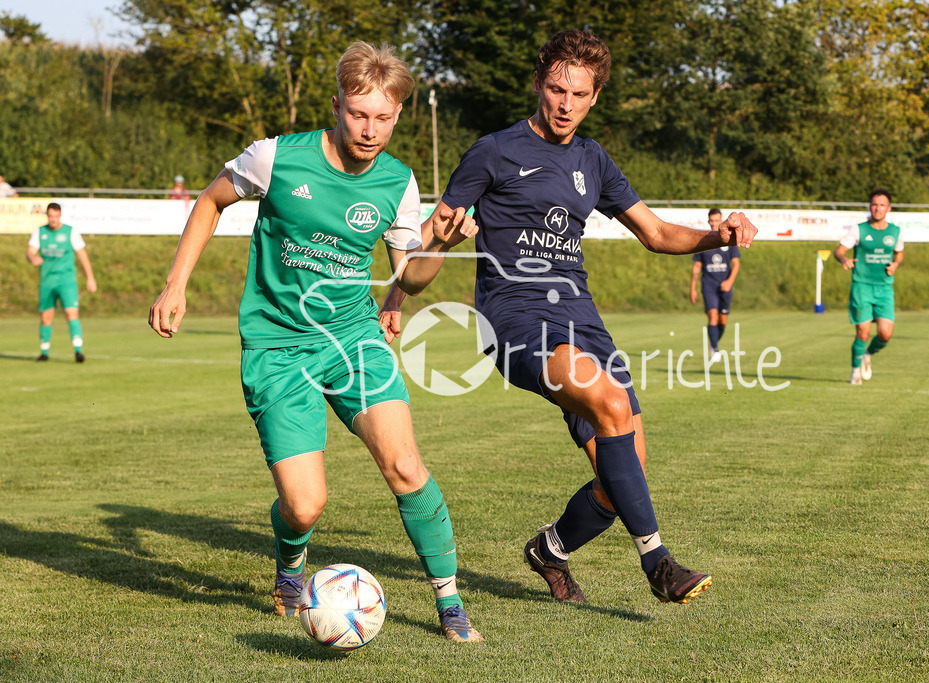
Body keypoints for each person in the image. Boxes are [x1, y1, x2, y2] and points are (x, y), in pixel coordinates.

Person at [383, 30, 757, 606]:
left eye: (578, 94)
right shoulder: (495, 150)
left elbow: (656, 233)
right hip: (513, 318)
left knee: (624, 475)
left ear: (594, 98)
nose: (564, 103)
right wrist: (396, 296)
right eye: (556, 89)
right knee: (609, 405)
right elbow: (439, 226)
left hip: (581, 319)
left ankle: (549, 551)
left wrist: (718, 234)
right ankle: (658, 563)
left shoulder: (593, 159)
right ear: (539, 84)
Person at [148, 42, 483, 642]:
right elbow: (209, 201)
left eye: (383, 117)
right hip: (277, 347)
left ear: (400, 115)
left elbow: (408, 275)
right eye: (359, 114)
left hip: (352, 338)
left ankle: (450, 602)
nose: (370, 129)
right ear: (336, 105)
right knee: (305, 506)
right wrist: (176, 285)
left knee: (405, 466)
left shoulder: (398, 182)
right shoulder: (276, 158)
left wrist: (439, 248)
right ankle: (290, 566)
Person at [833, 189, 904, 385]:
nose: (877, 208)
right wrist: (844, 259)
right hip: (862, 286)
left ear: (888, 208)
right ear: (869, 206)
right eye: (874, 204)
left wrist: (896, 264)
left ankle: (867, 354)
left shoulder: (895, 232)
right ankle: (855, 372)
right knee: (862, 332)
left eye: (881, 205)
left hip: (884, 288)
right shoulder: (858, 229)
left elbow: (899, 253)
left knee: (885, 334)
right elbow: (839, 251)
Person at [26, 202, 97, 362]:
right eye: (50, 216)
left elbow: (82, 255)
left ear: (60, 216)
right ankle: (44, 353)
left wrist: (90, 278)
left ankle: (78, 351)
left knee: (71, 313)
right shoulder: (40, 232)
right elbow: (30, 251)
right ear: (47, 216)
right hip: (47, 281)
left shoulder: (70, 232)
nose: (53, 219)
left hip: (66, 281)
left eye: (56, 216)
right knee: (46, 317)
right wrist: (32, 257)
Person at [690, 208, 741, 362]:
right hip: (709, 285)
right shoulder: (703, 240)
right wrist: (692, 288)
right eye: (711, 221)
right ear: (708, 222)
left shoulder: (729, 240)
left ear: (721, 220)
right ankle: (716, 351)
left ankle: (713, 344)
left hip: (725, 286)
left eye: (716, 220)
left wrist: (730, 281)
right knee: (712, 315)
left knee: (723, 320)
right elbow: (697, 267)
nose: (714, 223)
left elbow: (736, 264)